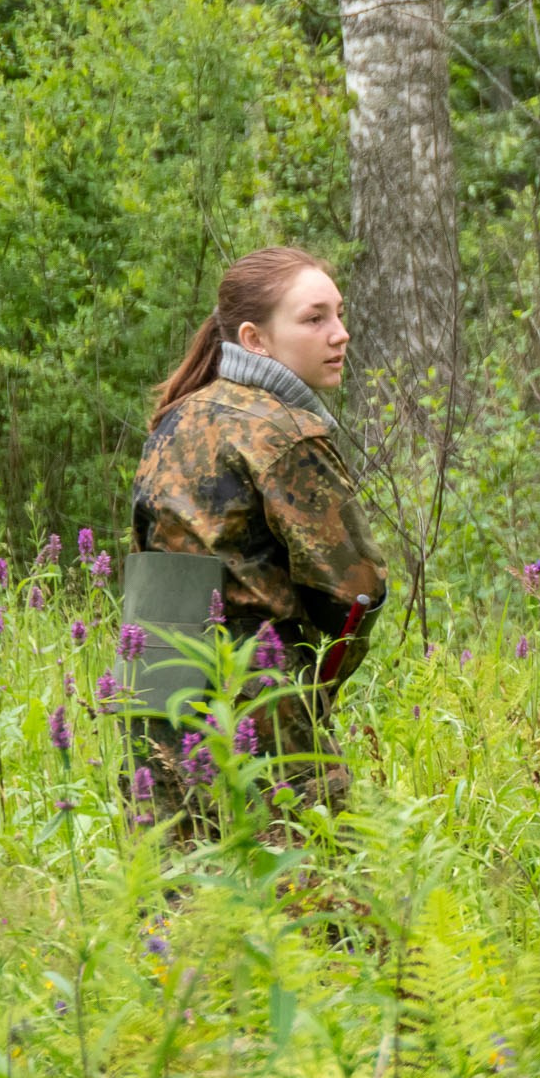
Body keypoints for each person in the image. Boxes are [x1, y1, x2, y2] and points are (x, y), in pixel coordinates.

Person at [124, 246, 386, 831]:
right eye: (314, 319)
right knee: (316, 901)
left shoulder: (175, 419)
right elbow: (356, 593)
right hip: (262, 706)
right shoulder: (284, 433)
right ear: (255, 339)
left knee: (183, 904)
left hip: (157, 689)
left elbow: (151, 567)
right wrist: (316, 686)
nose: (340, 334)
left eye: (340, 314)